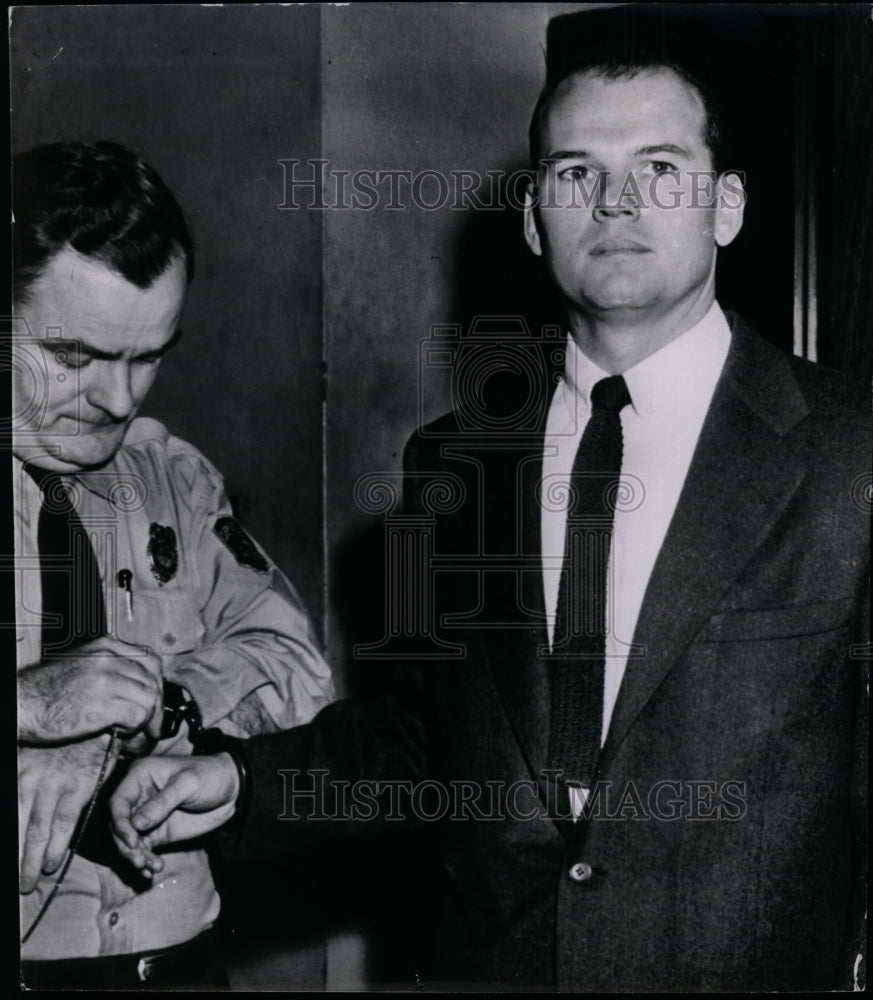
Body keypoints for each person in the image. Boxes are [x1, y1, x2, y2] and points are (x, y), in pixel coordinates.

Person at [109, 25, 868, 994]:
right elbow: (429, 741)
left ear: (727, 205)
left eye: (661, 168)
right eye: (576, 171)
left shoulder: (849, 452)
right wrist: (246, 779)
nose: (617, 201)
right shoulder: (451, 462)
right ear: (531, 215)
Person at [13, 140, 334, 989]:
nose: (120, 401)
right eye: (76, 358)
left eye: (148, 356)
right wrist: (33, 707)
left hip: (180, 960)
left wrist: (159, 705)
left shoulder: (173, 479)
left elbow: (295, 665)